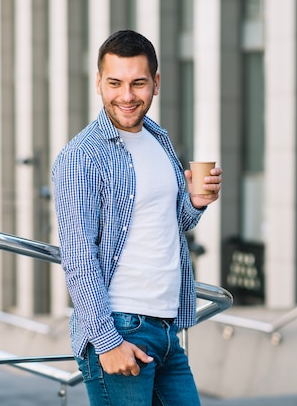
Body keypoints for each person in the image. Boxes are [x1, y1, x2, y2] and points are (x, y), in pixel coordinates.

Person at [52, 29, 222, 406]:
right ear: (98, 82)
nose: (126, 96)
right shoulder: (82, 156)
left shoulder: (158, 139)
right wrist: (107, 342)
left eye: (138, 83)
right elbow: (79, 256)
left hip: (165, 331)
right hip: (119, 328)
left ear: (156, 83)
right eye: (115, 83)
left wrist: (194, 202)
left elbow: (169, 226)